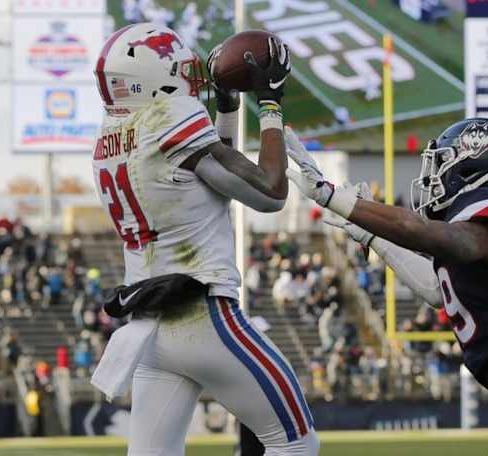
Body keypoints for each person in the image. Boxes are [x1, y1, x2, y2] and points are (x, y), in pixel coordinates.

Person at [91, 23, 318, 456]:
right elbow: (268, 192)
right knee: (296, 442)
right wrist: (270, 103)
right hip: (202, 315)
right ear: (153, 79)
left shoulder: (110, 136)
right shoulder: (169, 117)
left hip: (148, 328)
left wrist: (228, 106)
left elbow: (213, 173)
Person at [285, 118, 488, 456]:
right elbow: (437, 290)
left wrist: (332, 195)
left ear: (473, 166)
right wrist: (373, 235)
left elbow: (439, 237)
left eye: (443, 161)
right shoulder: (476, 234)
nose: (434, 176)